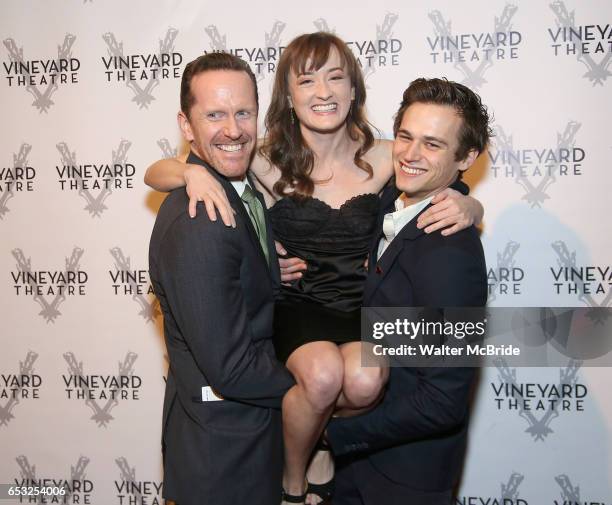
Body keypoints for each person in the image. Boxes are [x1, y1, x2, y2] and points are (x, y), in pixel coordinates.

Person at [145, 33, 484, 505]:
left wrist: (470, 203)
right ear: (288, 94)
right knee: (322, 375)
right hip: (299, 310)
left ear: (353, 91)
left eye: (335, 78)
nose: (322, 92)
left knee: (365, 379)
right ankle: (294, 478)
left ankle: (322, 440)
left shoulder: (387, 154)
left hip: (357, 310)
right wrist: (190, 171)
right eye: (307, 80)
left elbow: (434, 167)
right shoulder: (263, 158)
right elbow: (155, 171)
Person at [325, 77, 490, 505]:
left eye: (433, 145)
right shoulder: (392, 203)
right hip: (359, 472)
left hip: (404, 480)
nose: (411, 155)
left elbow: (442, 400)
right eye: (405, 137)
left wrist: (329, 433)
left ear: (467, 156)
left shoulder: (451, 250)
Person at [148, 52, 294, 505]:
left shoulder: (236, 186)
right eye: (214, 115)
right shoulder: (201, 218)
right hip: (225, 459)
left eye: (243, 112)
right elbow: (230, 369)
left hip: (239, 444)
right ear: (186, 126)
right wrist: (316, 396)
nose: (233, 129)